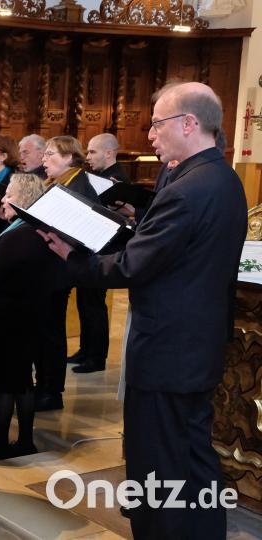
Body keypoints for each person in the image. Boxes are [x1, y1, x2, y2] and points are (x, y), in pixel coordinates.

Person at [40, 81, 246, 540]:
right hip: (198, 346)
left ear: (189, 124)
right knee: (191, 456)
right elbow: (166, 251)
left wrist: (73, 258)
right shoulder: (224, 180)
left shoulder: (189, 188)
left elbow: (134, 265)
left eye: (157, 123)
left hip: (169, 350)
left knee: (160, 462)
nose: (150, 134)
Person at [0, 173, 56, 461]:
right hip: (28, 315)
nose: (3, 200)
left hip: (11, 318)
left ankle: (3, 443)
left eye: (10, 196)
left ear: (25, 200)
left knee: (6, 383)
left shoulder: (19, 236)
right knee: (21, 381)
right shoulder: (32, 230)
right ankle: (25, 440)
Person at [43, 136, 108, 379]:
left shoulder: (77, 184)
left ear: (69, 157)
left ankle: (93, 356)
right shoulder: (62, 181)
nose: (44, 158)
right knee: (77, 310)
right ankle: (84, 352)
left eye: (51, 154)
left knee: (88, 308)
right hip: (71, 258)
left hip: (81, 257)